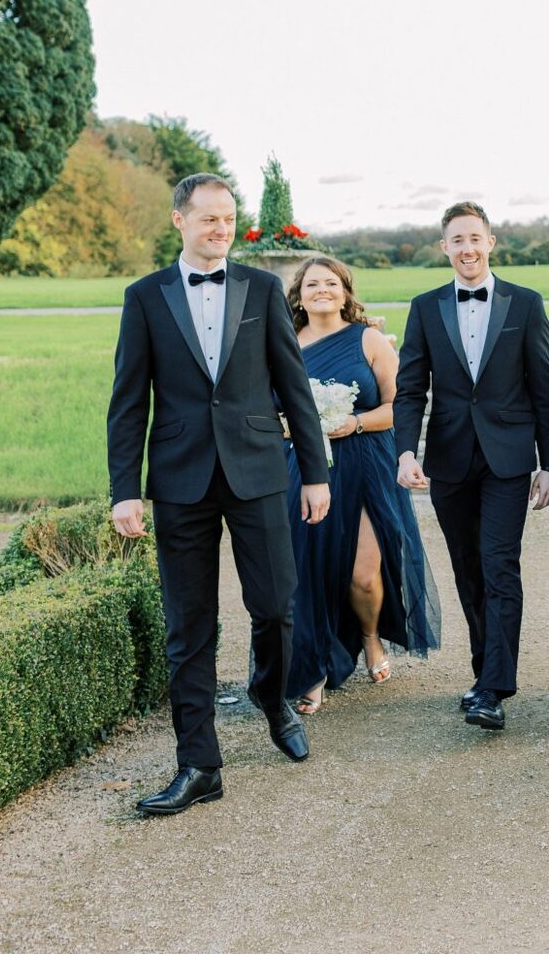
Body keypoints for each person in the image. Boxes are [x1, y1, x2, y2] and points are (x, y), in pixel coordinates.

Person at [106, 173, 329, 816]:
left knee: (276, 607)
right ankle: (199, 764)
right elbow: (129, 400)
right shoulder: (144, 297)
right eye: (208, 219)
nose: (221, 229)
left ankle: (272, 696)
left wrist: (315, 472)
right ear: (180, 220)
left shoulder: (262, 288)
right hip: (180, 479)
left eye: (228, 219)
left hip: (257, 470)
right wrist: (125, 490)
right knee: (189, 625)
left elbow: (294, 386)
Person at [394, 202, 549, 732]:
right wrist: (404, 451)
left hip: (508, 459)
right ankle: (484, 673)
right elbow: (410, 388)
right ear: (444, 247)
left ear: (491, 242)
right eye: (457, 240)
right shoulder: (425, 307)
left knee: (499, 565)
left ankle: (494, 687)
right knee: (468, 569)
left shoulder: (525, 303)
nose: (467, 249)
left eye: (474, 238)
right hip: (448, 459)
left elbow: (542, 387)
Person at [282, 255, 440, 713]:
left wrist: (352, 422)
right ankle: (311, 669)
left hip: (365, 464)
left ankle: (370, 637)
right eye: (313, 284)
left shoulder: (368, 339)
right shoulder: (283, 342)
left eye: (331, 283)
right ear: (299, 295)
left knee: (363, 576)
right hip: (300, 468)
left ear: (345, 292)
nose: (322, 290)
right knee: (306, 572)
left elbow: (400, 406)